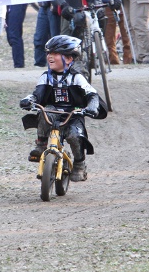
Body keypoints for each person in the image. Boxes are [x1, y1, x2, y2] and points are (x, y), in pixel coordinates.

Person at [19, 35, 106, 182]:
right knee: (44, 112)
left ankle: (79, 163)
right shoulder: (46, 77)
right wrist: (30, 100)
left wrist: (91, 107)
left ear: (69, 59)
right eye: (48, 53)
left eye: (55, 54)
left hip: (73, 113)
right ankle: (41, 145)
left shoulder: (77, 78)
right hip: (53, 110)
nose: (50, 57)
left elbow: (92, 94)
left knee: (74, 136)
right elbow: (37, 94)